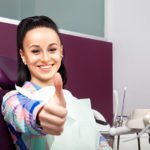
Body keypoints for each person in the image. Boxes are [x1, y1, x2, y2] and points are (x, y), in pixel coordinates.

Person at [1, 16, 111, 150]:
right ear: (23, 56)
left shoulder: (71, 99)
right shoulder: (13, 99)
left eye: (52, 49)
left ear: (61, 52)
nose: (46, 58)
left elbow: (99, 142)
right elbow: (23, 114)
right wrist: (40, 116)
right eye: (35, 51)